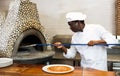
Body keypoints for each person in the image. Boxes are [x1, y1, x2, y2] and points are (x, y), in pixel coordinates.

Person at [54, 12, 118, 71]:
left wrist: (97, 42)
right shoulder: (75, 37)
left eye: (71, 25)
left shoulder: (96, 28)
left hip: (99, 67)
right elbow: (71, 54)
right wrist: (62, 47)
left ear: (78, 23)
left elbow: (113, 40)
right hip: (85, 68)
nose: (70, 28)